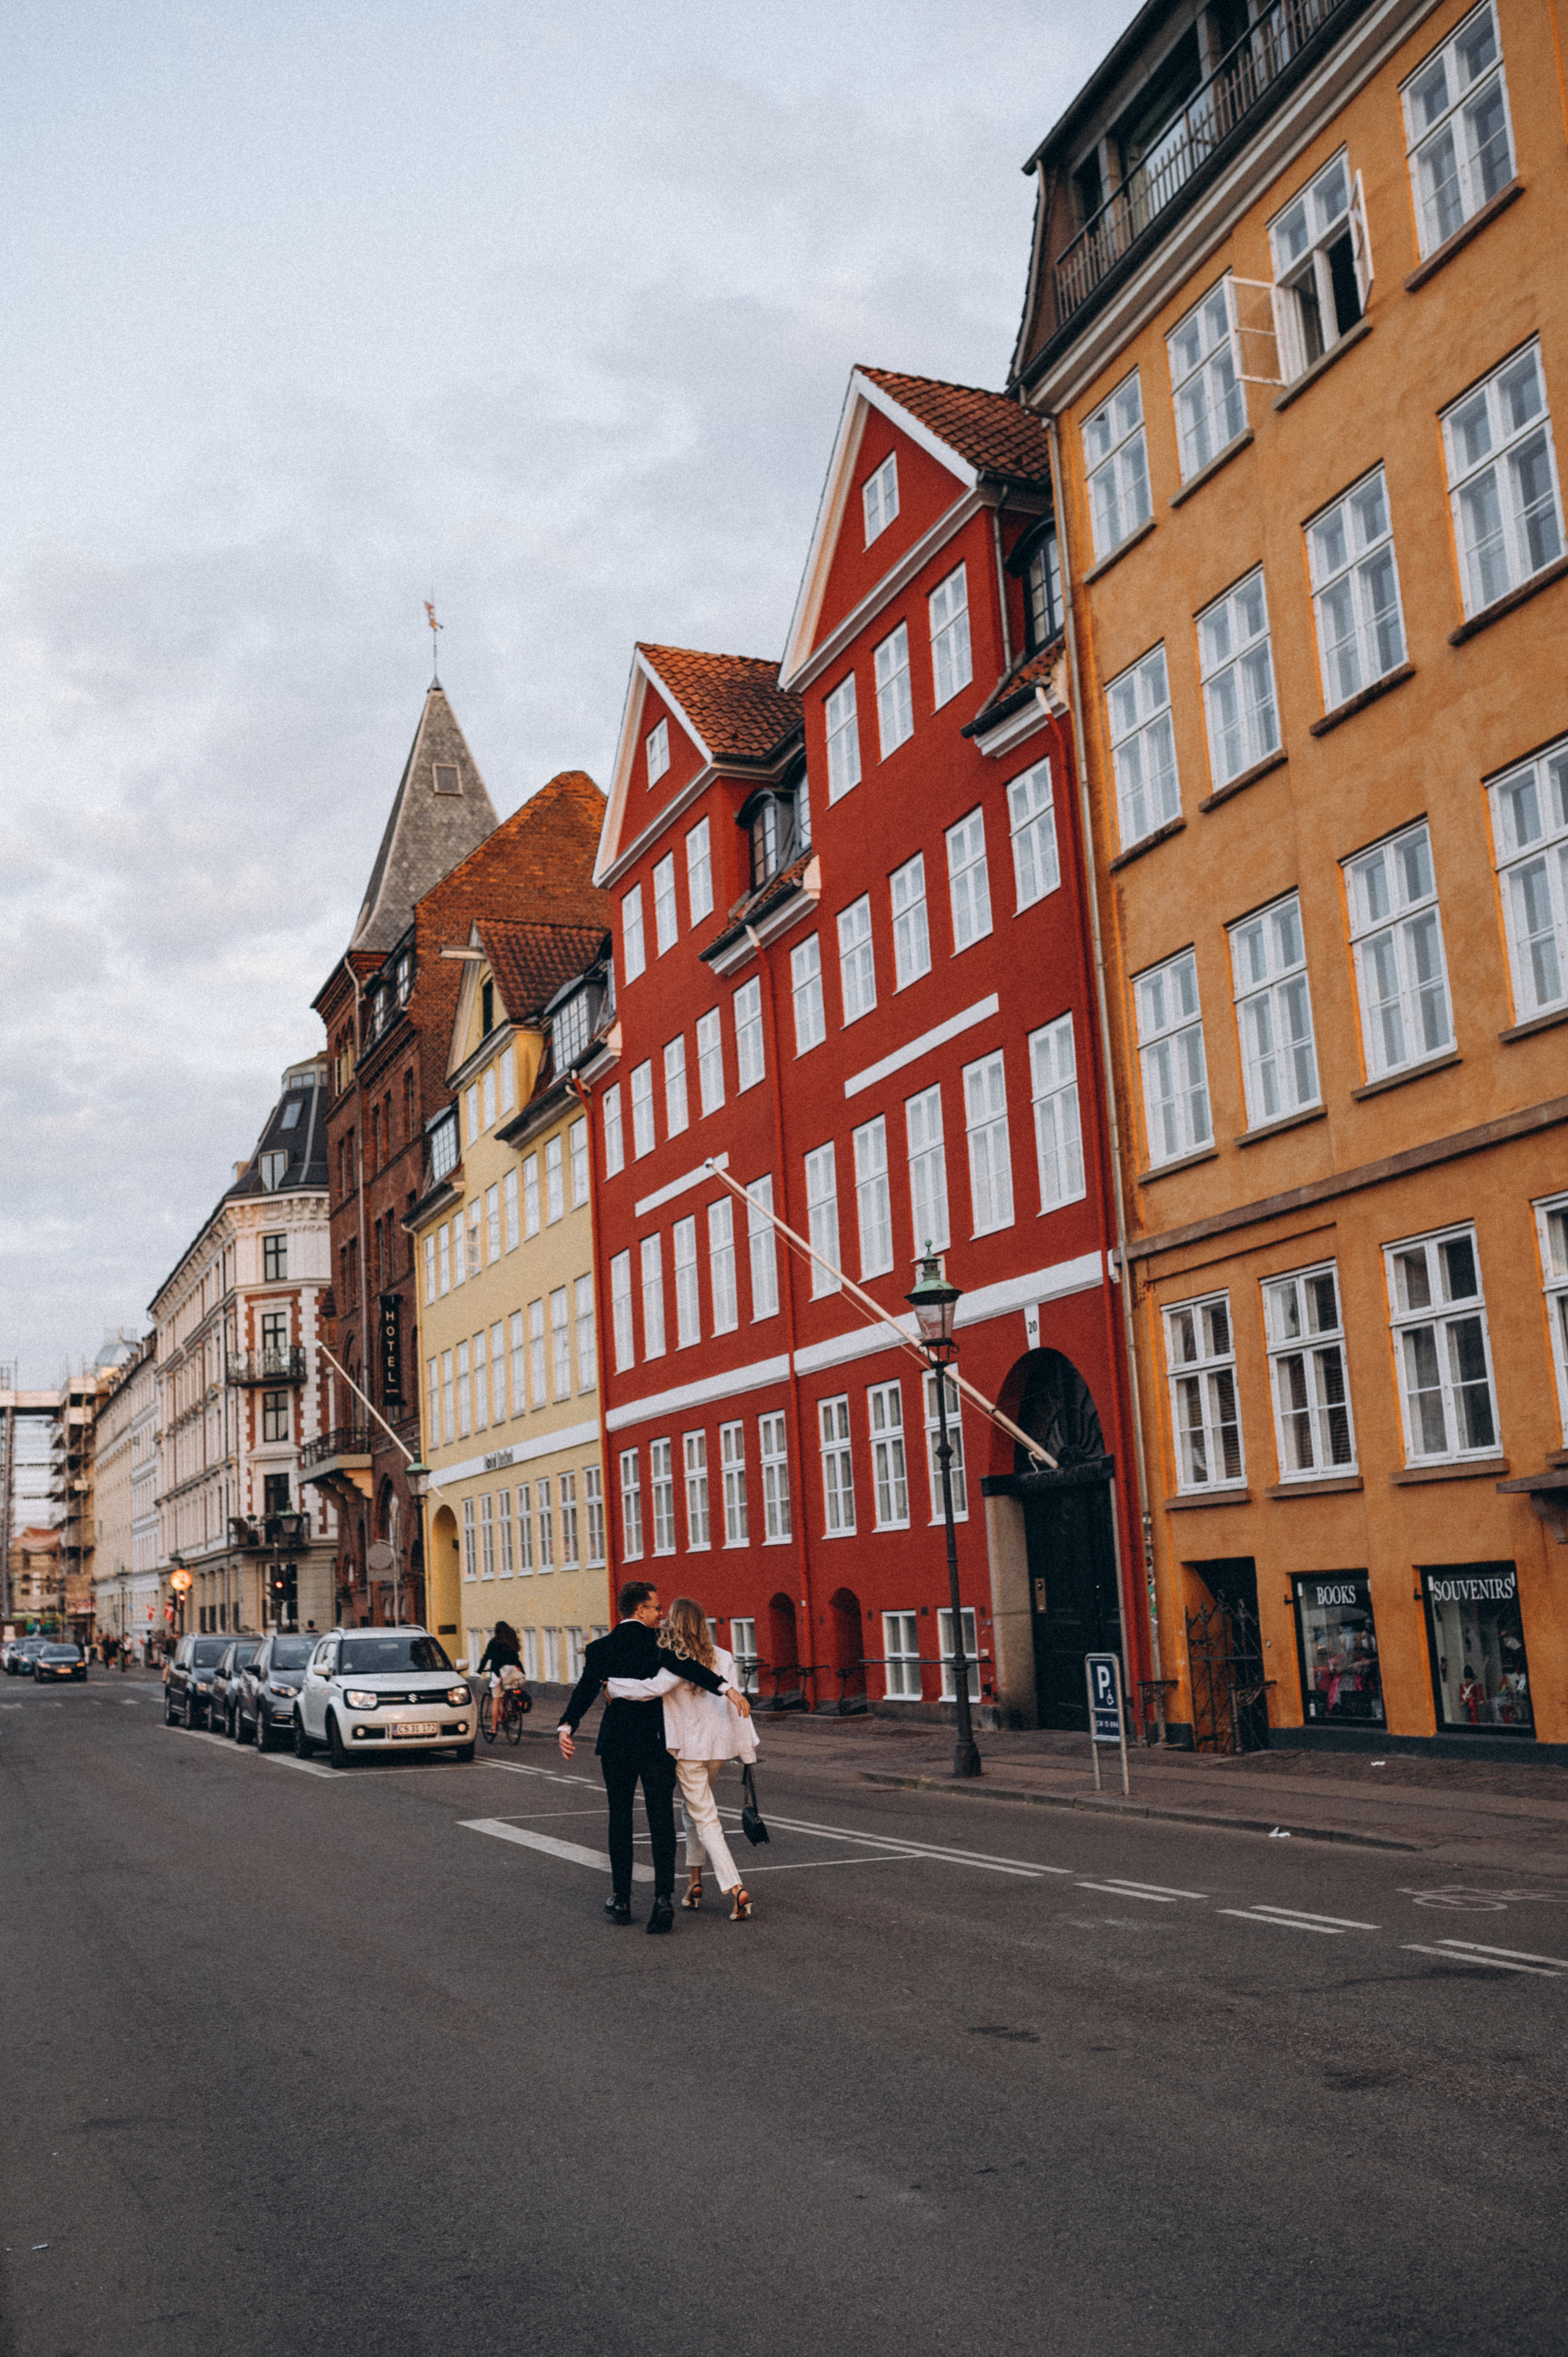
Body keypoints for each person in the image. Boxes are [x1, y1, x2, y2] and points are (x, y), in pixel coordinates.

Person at [557, 1581, 751, 1933]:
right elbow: (692, 1669)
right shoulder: (661, 1644)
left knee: (620, 1819)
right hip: (656, 1743)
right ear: (640, 1611)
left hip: (616, 1745)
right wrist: (728, 1689)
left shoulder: (601, 1648)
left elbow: (585, 1689)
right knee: (660, 1819)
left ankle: (622, 1899)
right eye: (656, 1608)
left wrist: (566, 1726)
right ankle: (663, 1899)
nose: (661, 1614)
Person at [605, 1595, 756, 1921]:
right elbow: (736, 1704)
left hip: (688, 1750)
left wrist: (611, 1685)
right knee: (692, 1810)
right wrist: (747, 1752)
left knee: (705, 1817)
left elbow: (648, 1690)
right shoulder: (724, 1656)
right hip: (720, 1745)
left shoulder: (672, 1659)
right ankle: (694, 1882)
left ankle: (735, 1887)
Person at [477, 1621, 526, 1722]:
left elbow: (486, 1657)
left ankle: (494, 1729)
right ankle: (512, 1709)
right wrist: (523, 1673)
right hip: (513, 1673)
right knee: (510, 1691)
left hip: (499, 1674)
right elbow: (517, 1659)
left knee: (496, 1700)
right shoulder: (512, 1642)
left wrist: (480, 1669)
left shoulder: (494, 1643)